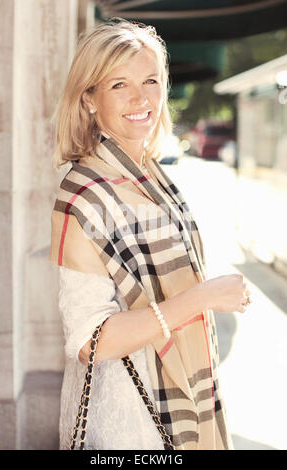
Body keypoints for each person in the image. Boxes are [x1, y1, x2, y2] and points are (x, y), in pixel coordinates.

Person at [49, 18, 252, 451]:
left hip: (181, 400)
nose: (141, 98)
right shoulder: (83, 193)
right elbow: (90, 341)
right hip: (130, 419)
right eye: (119, 84)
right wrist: (203, 298)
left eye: (151, 80)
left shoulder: (151, 174)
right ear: (89, 98)